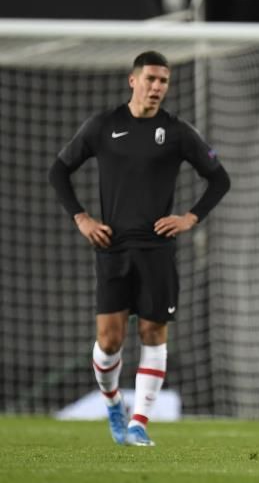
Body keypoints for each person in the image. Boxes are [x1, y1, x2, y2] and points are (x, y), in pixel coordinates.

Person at [48, 51, 231, 447]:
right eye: (150, 79)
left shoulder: (178, 131)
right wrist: (81, 218)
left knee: (153, 332)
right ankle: (114, 403)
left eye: (163, 81)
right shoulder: (103, 125)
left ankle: (139, 424)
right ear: (133, 81)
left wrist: (190, 218)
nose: (157, 87)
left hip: (157, 249)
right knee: (110, 340)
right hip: (112, 246)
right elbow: (59, 170)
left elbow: (219, 179)